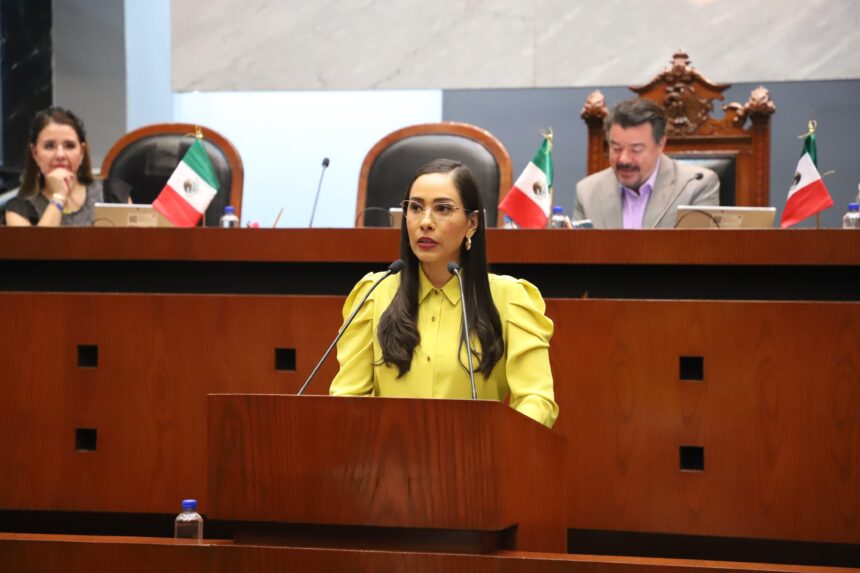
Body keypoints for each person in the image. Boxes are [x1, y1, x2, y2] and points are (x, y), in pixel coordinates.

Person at [330, 159, 558, 428]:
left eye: (442, 209)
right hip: (389, 461)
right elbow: (348, 400)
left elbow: (536, 398)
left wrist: (501, 444)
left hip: (478, 462)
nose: (425, 222)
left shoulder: (510, 299)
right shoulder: (374, 294)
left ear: (471, 223)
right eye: (415, 208)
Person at [574, 98, 719, 229]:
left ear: (661, 144)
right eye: (616, 148)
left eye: (636, 150)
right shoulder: (587, 192)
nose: (624, 159)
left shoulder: (695, 186)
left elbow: (699, 253)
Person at [4, 107, 128, 227]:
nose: (60, 155)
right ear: (35, 153)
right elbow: (38, 248)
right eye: (49, 146)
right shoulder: (18, 209)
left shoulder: (113, 193)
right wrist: (59, 196)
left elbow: (133, 245)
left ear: (82, 152)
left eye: (69, 146)